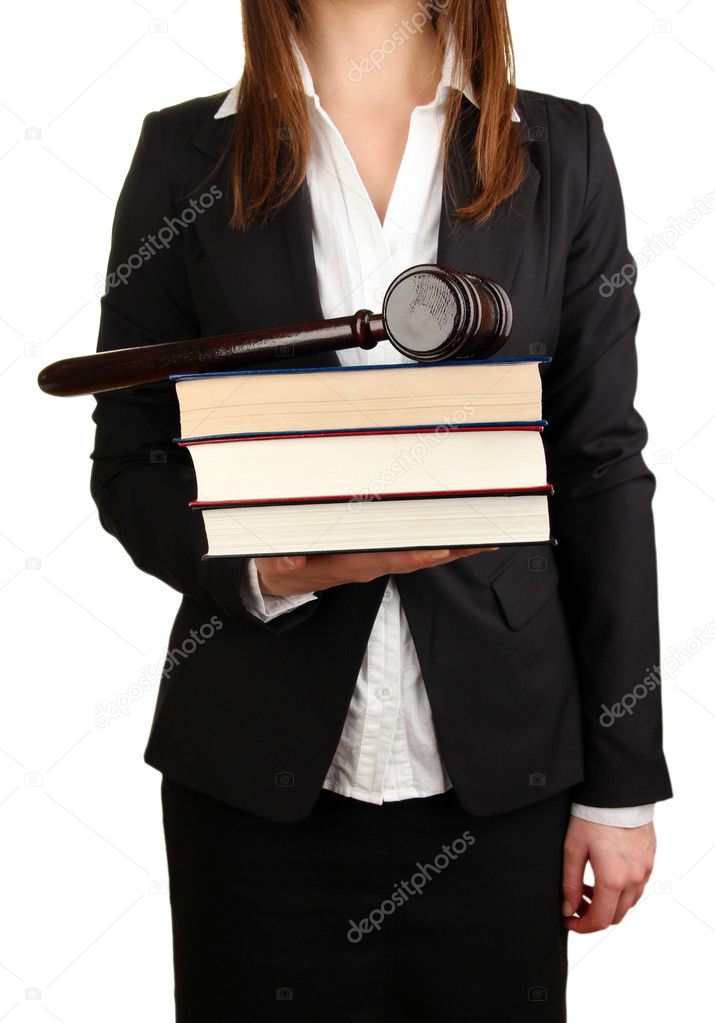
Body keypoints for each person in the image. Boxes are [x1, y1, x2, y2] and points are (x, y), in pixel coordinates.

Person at [89, 1, 673, 1019]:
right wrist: (263, 569)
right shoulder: (182, 152)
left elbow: (599, 468)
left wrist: (621, 783)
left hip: (505, 773)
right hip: (253, 783)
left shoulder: (562, 146)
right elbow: (132, 453)